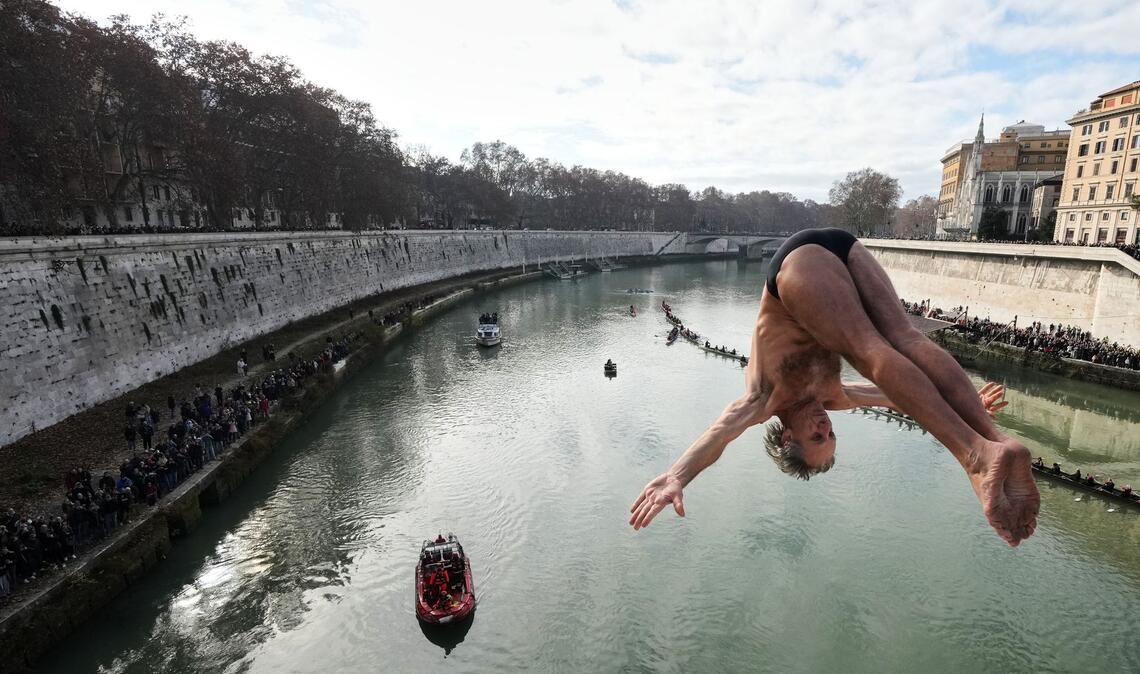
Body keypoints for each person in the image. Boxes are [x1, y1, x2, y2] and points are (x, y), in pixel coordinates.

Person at [630, 228, 1038, 547]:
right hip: (845, 247)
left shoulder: (763, 399)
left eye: (816, 436)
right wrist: (970, 406)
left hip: (796, 266)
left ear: (787, 436)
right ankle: (995, 440)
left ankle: (976, 456)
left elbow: (719, 434)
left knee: (870, 350)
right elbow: (902, 399)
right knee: (906, 338)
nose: (826, 427)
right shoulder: (834, 398)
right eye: (830, 435)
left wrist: (677, 476)